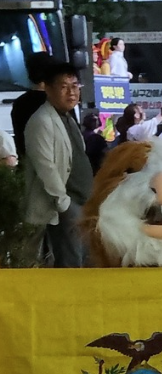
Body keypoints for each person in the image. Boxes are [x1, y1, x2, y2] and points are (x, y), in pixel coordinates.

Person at [22, 62, 92, 267]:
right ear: (48, 89)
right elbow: (45, 166)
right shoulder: (42, 120)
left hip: (82, 201)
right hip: (65, 204)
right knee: (70, 261)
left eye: (75, 85)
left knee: (83, 258)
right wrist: (64, 202)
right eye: (64, 86)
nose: (72, 92)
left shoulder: (68, 117)